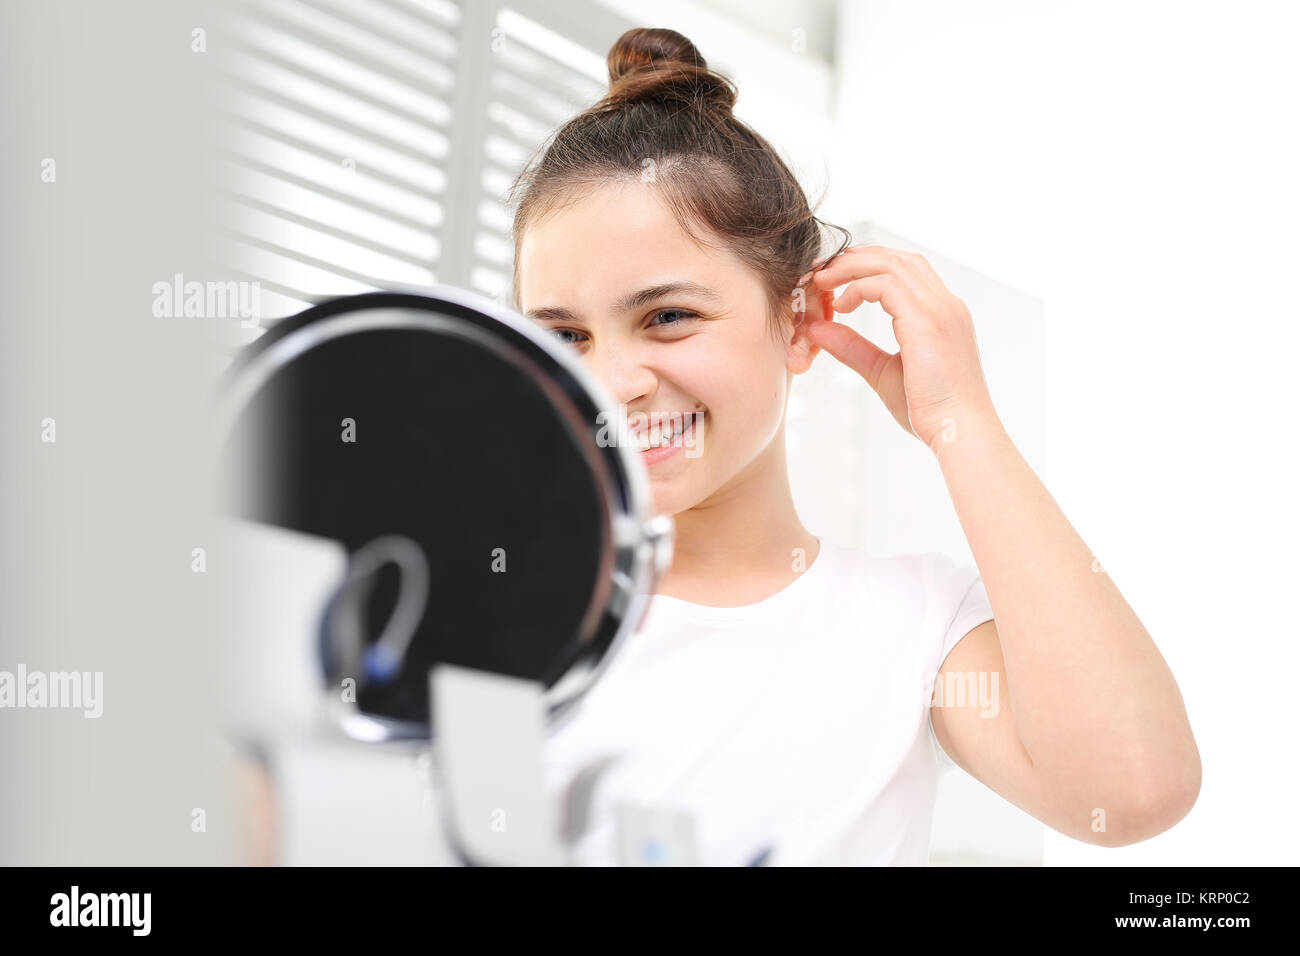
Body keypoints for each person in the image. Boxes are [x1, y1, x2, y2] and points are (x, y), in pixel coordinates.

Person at [504, 26, 1200, 865]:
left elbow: (1132, 789)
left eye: (669, 316)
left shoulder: (908, 626)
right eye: (565, 336)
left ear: (798, 321)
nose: (612, 382)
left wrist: (960, 422)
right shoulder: (482, 604)